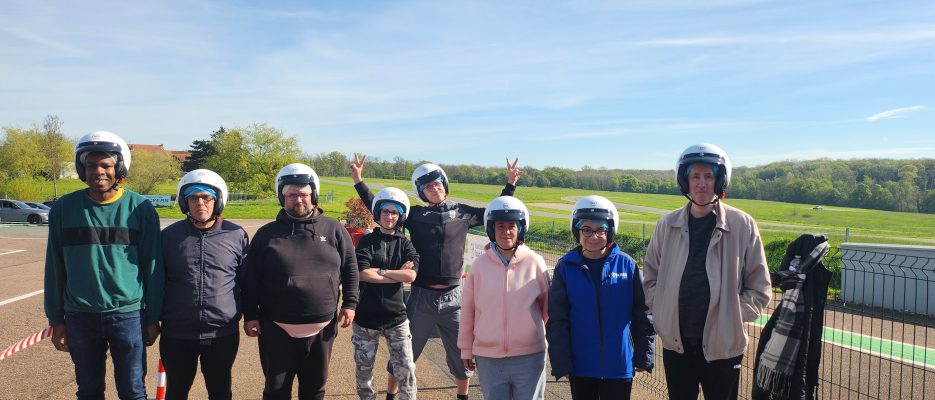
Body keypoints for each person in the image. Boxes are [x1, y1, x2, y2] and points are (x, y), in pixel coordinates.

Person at [350, 154, 522, 400]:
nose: (435, 188)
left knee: (462, 353)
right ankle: (391, 394)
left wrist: (510, 185)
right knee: (404, 354)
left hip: (454, 298)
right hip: (421, 296)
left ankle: (462, 396)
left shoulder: (463, 212)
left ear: (445, 184)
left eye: (438, 183)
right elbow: (383, 207)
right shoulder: (416, 215)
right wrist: (359, 181)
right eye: (428, 186)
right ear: (421, 192)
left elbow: (493, 212)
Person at [642, 143, 772, 400]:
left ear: (720, 180)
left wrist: (731, 317)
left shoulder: (742, 225)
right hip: (677, 345)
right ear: (685, 181)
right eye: (695, 176)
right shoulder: (666, 225)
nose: (702, 184)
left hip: (723, 348)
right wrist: (663, 309)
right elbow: (650, 277)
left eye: (709, 176)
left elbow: (759, 288)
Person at [44, 130, 164, 400]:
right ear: (81, 169)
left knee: (132, 391)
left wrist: (153, 316)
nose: (98, 171)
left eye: (106, 165)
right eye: (90, 165)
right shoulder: (63, 209)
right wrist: (56, 319)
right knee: (88, 391)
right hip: (80, 316)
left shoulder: (141, 209)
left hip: (128, 315)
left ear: (118, 167)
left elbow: (153, 268)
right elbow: (54, 268)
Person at [243, 163, 359, 400]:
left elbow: (350, 268)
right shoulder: (267, 234)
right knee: (276, 391)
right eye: (291, 195)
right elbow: (250, 277)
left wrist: (350, 303)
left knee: (314, 390)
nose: (298, 200)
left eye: (304, 194)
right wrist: (250, 315)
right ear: (282, 197)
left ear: (313, 195)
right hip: (276, 329)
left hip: (322, 328)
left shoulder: (335, 229)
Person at [546, 195, 655, 400]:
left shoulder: (628, 265)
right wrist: (562, 362)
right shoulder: (565, 267)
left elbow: (643, 313)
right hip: (580, 366)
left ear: (610, 231)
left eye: (600, 230)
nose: (593, 236)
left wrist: (643, 355)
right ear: (576, 231)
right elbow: (558, 320)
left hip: (619, 365)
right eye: (586, 229)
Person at [159, 169, 249, 400]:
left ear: (217, 201)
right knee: (176, 392)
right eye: (193, 198)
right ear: (184, 202)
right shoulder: (168, 237)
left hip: (221, 334)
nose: (200, 203)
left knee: (220, 392)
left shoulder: (236, 235)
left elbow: (246, 281)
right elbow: (156, 280)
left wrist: (251, 316)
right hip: (177, 333)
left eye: (207, 197)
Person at [458, 196, 550, 400]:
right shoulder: (479, 266)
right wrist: (466, 348)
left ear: (520, 229)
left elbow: (547, 309)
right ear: (491, 229)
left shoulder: (535, 262)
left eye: (511, 226)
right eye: (500, 226)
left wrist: (541, 338)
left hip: (529, 356)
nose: (506, 232)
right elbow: (468, 310)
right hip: (489, 358)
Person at [352, 187, 419, 400]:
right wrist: (395, 273)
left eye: (394, 212)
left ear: (400, 216)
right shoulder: (367, 241)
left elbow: (410, 277)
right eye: (385, 211)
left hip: (397, 318)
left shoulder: (405, 244)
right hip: (366, 318)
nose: (389, 216)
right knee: (364, 372)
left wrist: (380, 272)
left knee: (406, 370)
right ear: (378, 213)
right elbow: (362, 274)